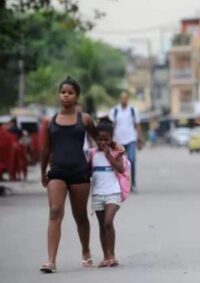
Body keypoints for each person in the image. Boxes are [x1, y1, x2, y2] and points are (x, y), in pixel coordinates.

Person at [39, 77, 97, 273]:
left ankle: (86, 251)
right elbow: (46, 149)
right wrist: (42, 172)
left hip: (80, 172)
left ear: (76, 96)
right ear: (59, 94)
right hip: (57, 172)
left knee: (80, 215)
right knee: (55, 211)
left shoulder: (85, 119)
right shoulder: (51, 121)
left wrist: (114, 151)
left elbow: (100, 140)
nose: (66, 95)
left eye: (70, 92)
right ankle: (51, 260)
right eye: (63, 92)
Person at [90, 117, 127, 268]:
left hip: (113, 192)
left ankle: (112, 255)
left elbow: (120, 168)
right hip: (97, 194)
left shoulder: (116, 152)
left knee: (108, 222)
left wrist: (108, 154)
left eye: (106, 139)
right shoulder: (91, 153)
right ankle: (106, 256)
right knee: (101, 225)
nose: (103, 142)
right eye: (100, 139)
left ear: (112, 139)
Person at [109, 91, 142, 192]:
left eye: (125, 98)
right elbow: (111, 126)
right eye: (122, 98)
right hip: (118, 141)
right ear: (120, 99)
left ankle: (133, 184)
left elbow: (137, 125)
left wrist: (139, 139)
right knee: (119, 163)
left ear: (127, 99)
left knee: (131, 160)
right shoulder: (114, 111)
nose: (124, 100)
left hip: (131, 139)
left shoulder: (133, 110)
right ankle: (119, 184)